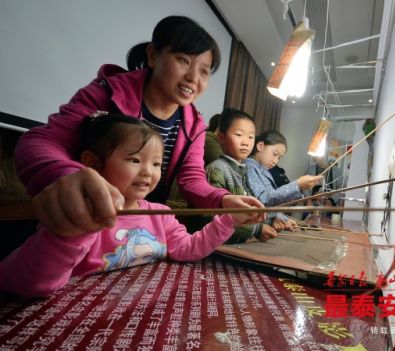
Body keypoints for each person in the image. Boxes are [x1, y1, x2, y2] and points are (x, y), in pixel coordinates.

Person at [14, 16, 263, 238]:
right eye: (183, 60)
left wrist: (224, 200)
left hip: (142, 227)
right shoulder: (107, 93)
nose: (193, 78)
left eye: (205, 71)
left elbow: (191, 179)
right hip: (88, 223)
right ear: (153, 55)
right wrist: (66, 175)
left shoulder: (194, 125)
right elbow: (42, 142)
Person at [0, 114, 256, 298]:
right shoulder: (80, 216)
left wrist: (228, 219)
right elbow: (26, 281)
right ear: (93, 163)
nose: (148, 172)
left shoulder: (160, 215)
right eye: (135, 159)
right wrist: (67, 234)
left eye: (156, 164)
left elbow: (188, 249)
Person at [206, 108, 279, 243]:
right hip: (217, 245)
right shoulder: (217, 169)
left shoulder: (242, 170)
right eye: (239, 134)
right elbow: (214, 217)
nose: (246, 142)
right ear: (221, 137)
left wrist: (268, 220)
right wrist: (255, 230)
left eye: (250, 137)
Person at [246, 130, 323, 207]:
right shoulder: (250, 166)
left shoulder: (263, 170)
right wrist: (297, 185)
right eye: (274, 154)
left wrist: (284, 219)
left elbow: (272, 205)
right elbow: (263, 200)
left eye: (279, 158)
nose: (276, 161)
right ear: (260, 146)